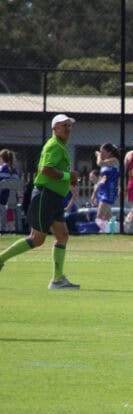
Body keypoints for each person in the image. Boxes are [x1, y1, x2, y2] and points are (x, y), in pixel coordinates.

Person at [0, 114, 80, 288]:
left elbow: (55, 172)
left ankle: (58, 280)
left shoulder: (60, 146)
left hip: (54, 197)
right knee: (37, 239)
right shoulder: (54, 146)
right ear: (55, 128)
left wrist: (69, 179)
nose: (67, 128)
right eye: (63, 125)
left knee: (62, 236)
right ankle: (1, 259)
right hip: (46, 195)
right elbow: (45, 170)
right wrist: (68, 175)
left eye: (69, 125)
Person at [92, 143, 121, 232]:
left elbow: (99, 163)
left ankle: (101, 232)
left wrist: (98, 155)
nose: (101, 154)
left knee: (99, 216)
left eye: (103, 152)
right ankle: (111, 232)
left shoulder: (114, 160)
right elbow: (101, 180)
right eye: (100, 152)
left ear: (109, 152)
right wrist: (94, 193)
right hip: (102, 191)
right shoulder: (105, 165)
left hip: (109, 191)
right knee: (108, 217)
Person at [0, 149, 20, 232]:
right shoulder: (16, 170)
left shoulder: (2, 168)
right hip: (13, 199)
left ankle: (1, 228)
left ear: (2, 158)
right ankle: (11, 229)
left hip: (2, 198)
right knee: (9, 211)